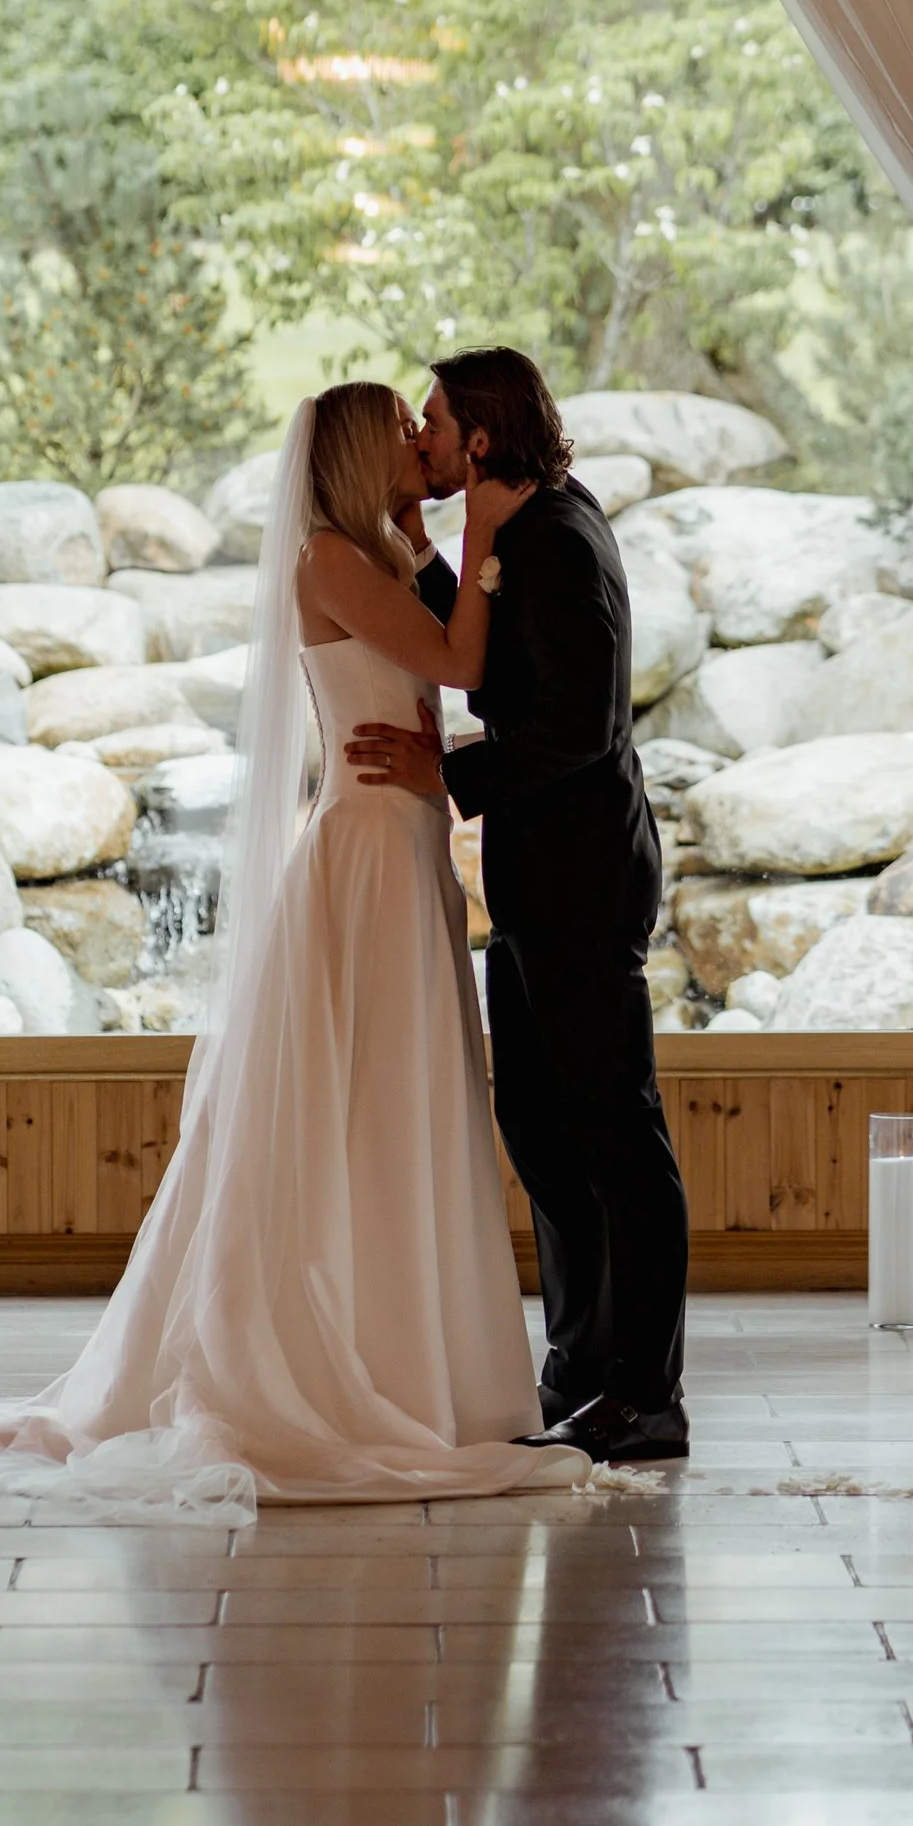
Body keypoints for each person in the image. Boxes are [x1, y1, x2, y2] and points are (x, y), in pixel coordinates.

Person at [0, 385, 587, 1511]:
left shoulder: (373, 551)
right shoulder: (327, 559)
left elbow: (436, 656)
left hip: (400, 843)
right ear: (362, 453)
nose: (421, 448)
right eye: (402, 436)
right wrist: (485, 534)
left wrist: (428, 549)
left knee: (403, 1099)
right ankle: (357, 1365)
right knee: (363, 1101)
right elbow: (461, 666)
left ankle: (428, 1367)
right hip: (364, 852)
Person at [346, 347, 692, 1464]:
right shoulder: (515, 532)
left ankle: (648, 1392)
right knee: (540, 1127)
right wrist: (424, 567)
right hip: (538, 885)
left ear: (480, 437)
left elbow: (582, 725)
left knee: (618, 1137)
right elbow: (492, 675)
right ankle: (581, 1366)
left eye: (434, 421)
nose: (425, 441)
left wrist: (444, 775)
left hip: (586, 882)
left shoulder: (558, 541)